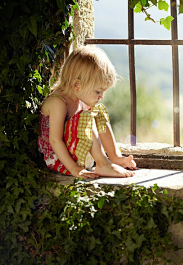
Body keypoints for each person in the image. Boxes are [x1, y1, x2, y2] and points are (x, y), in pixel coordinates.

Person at [38, 45, 136, 179]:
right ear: (77, 85)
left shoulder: (80, 99)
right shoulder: (58, 103)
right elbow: (55, 140)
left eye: (103, 92)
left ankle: (113, 157)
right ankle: (102, 163)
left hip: (76, 153)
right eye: (98, 91)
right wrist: (74, 169)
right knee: (87, 117)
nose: (101, 96)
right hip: (60, 159)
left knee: (98, 111)